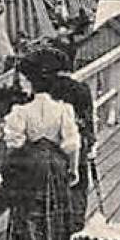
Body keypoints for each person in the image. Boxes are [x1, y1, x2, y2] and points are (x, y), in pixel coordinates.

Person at [0, 54, 84, 240]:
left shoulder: (21, 111)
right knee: (56, 214)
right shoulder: (63, 109)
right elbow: (71, 143)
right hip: (56, 166)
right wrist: (74, 169)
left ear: (31, 83)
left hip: (30, 166)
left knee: (28, 215)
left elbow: (14, 143)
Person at [35, 47, 98, 215]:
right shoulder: (82, 89)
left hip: (52, 147)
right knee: (78, 189)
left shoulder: (46, 91)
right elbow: (88, 120)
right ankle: (76, 222)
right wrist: (91, 144)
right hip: (78, 145)